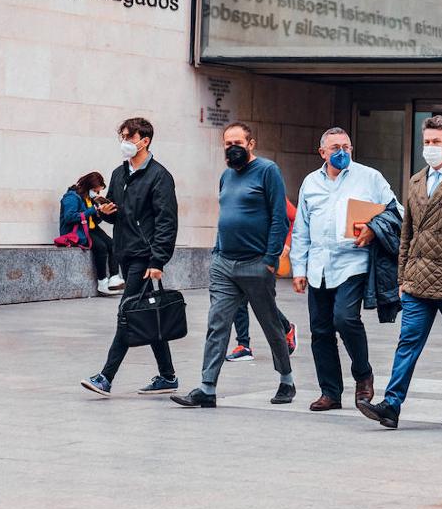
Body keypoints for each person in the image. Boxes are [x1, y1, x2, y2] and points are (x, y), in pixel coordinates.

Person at [356, 115, 442, 430]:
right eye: (427, 142)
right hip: (418, 280)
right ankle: (392, 405)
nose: (430, 148)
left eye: (436, 142)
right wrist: (402, 277)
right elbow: (407, 234)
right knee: (407, 341)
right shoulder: (416, 181)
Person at [172, 122, 296, 408]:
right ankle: (207, 388)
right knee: (217, 324)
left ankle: (286, 380)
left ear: (251, 144)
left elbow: (279, 217)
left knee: (269, 324)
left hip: (256, 263)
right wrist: (217, 251)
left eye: (238, 142)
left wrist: (270, 259)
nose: (233, 148)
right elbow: (225, 215)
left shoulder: (267, 171)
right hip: (224, 263)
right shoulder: (226, 176)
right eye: (228, 143)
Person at [291, 127, 400, 411]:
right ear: (323, 152)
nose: (342, 152)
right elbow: (301, 228)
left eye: (347, 147)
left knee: (345, 318)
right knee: (320, 330)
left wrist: (374, 229)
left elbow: (396, 211)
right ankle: (330, 391)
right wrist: (298, 268)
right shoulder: (310, 183)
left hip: (353, 261)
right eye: (335, 147)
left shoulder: (369, 177)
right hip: (318, 265)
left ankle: (363, 375)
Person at [81, 117, 181, 397]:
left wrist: (158, 260)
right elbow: (117, 215)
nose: (124, 142)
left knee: (127, 312)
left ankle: (105, 376)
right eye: (122, 137)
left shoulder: (160, 176)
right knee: (146, 313)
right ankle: (167, 375)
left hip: (145, 256)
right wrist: (104, 212)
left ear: (144, 141)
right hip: (124, 251)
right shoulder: (118, 173)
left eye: (129, 137)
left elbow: (166, 221)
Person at [227, 195, 298, 361]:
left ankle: (287, 327)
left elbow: (295, 218)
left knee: (262, 300)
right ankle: (243, 345)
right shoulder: (237, 188)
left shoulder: (270, 191)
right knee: (239, 298)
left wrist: (286, 244)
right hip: (240, 252)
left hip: (265, 256)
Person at [58, 171, 124, 296]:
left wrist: (100, 212)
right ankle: (102, 282)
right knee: (101, 247)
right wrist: (92, 210)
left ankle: (114, 278)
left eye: (98, 192)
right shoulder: (72, 197)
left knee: (113, 244)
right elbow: (69, 217)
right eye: (95, 190)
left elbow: (93, 220)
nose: (96, 193)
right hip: (77, 231)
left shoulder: (90, 199)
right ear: (88, 186)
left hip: (91, 228)